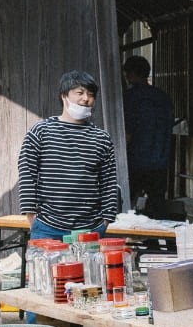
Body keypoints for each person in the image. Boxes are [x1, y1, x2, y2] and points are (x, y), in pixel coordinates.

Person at [19, 70, 120, 241]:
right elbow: (27, 173)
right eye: (79, 93)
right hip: (47, 227)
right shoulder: (41, 131)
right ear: (64, 96)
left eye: (90, 94)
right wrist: (31, 216)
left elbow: (109, 182)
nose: (86, 99)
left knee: (88, 269)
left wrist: (106, 220)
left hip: (91, 228)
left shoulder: (101, 138)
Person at [122, 55, 174, 217]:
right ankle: (153, 242)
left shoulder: (130, 97)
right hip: (160, 160)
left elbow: (127, 134)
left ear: (131, 74)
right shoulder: (163, 97)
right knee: (156, 207)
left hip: (135, 161)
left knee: (126, 207)